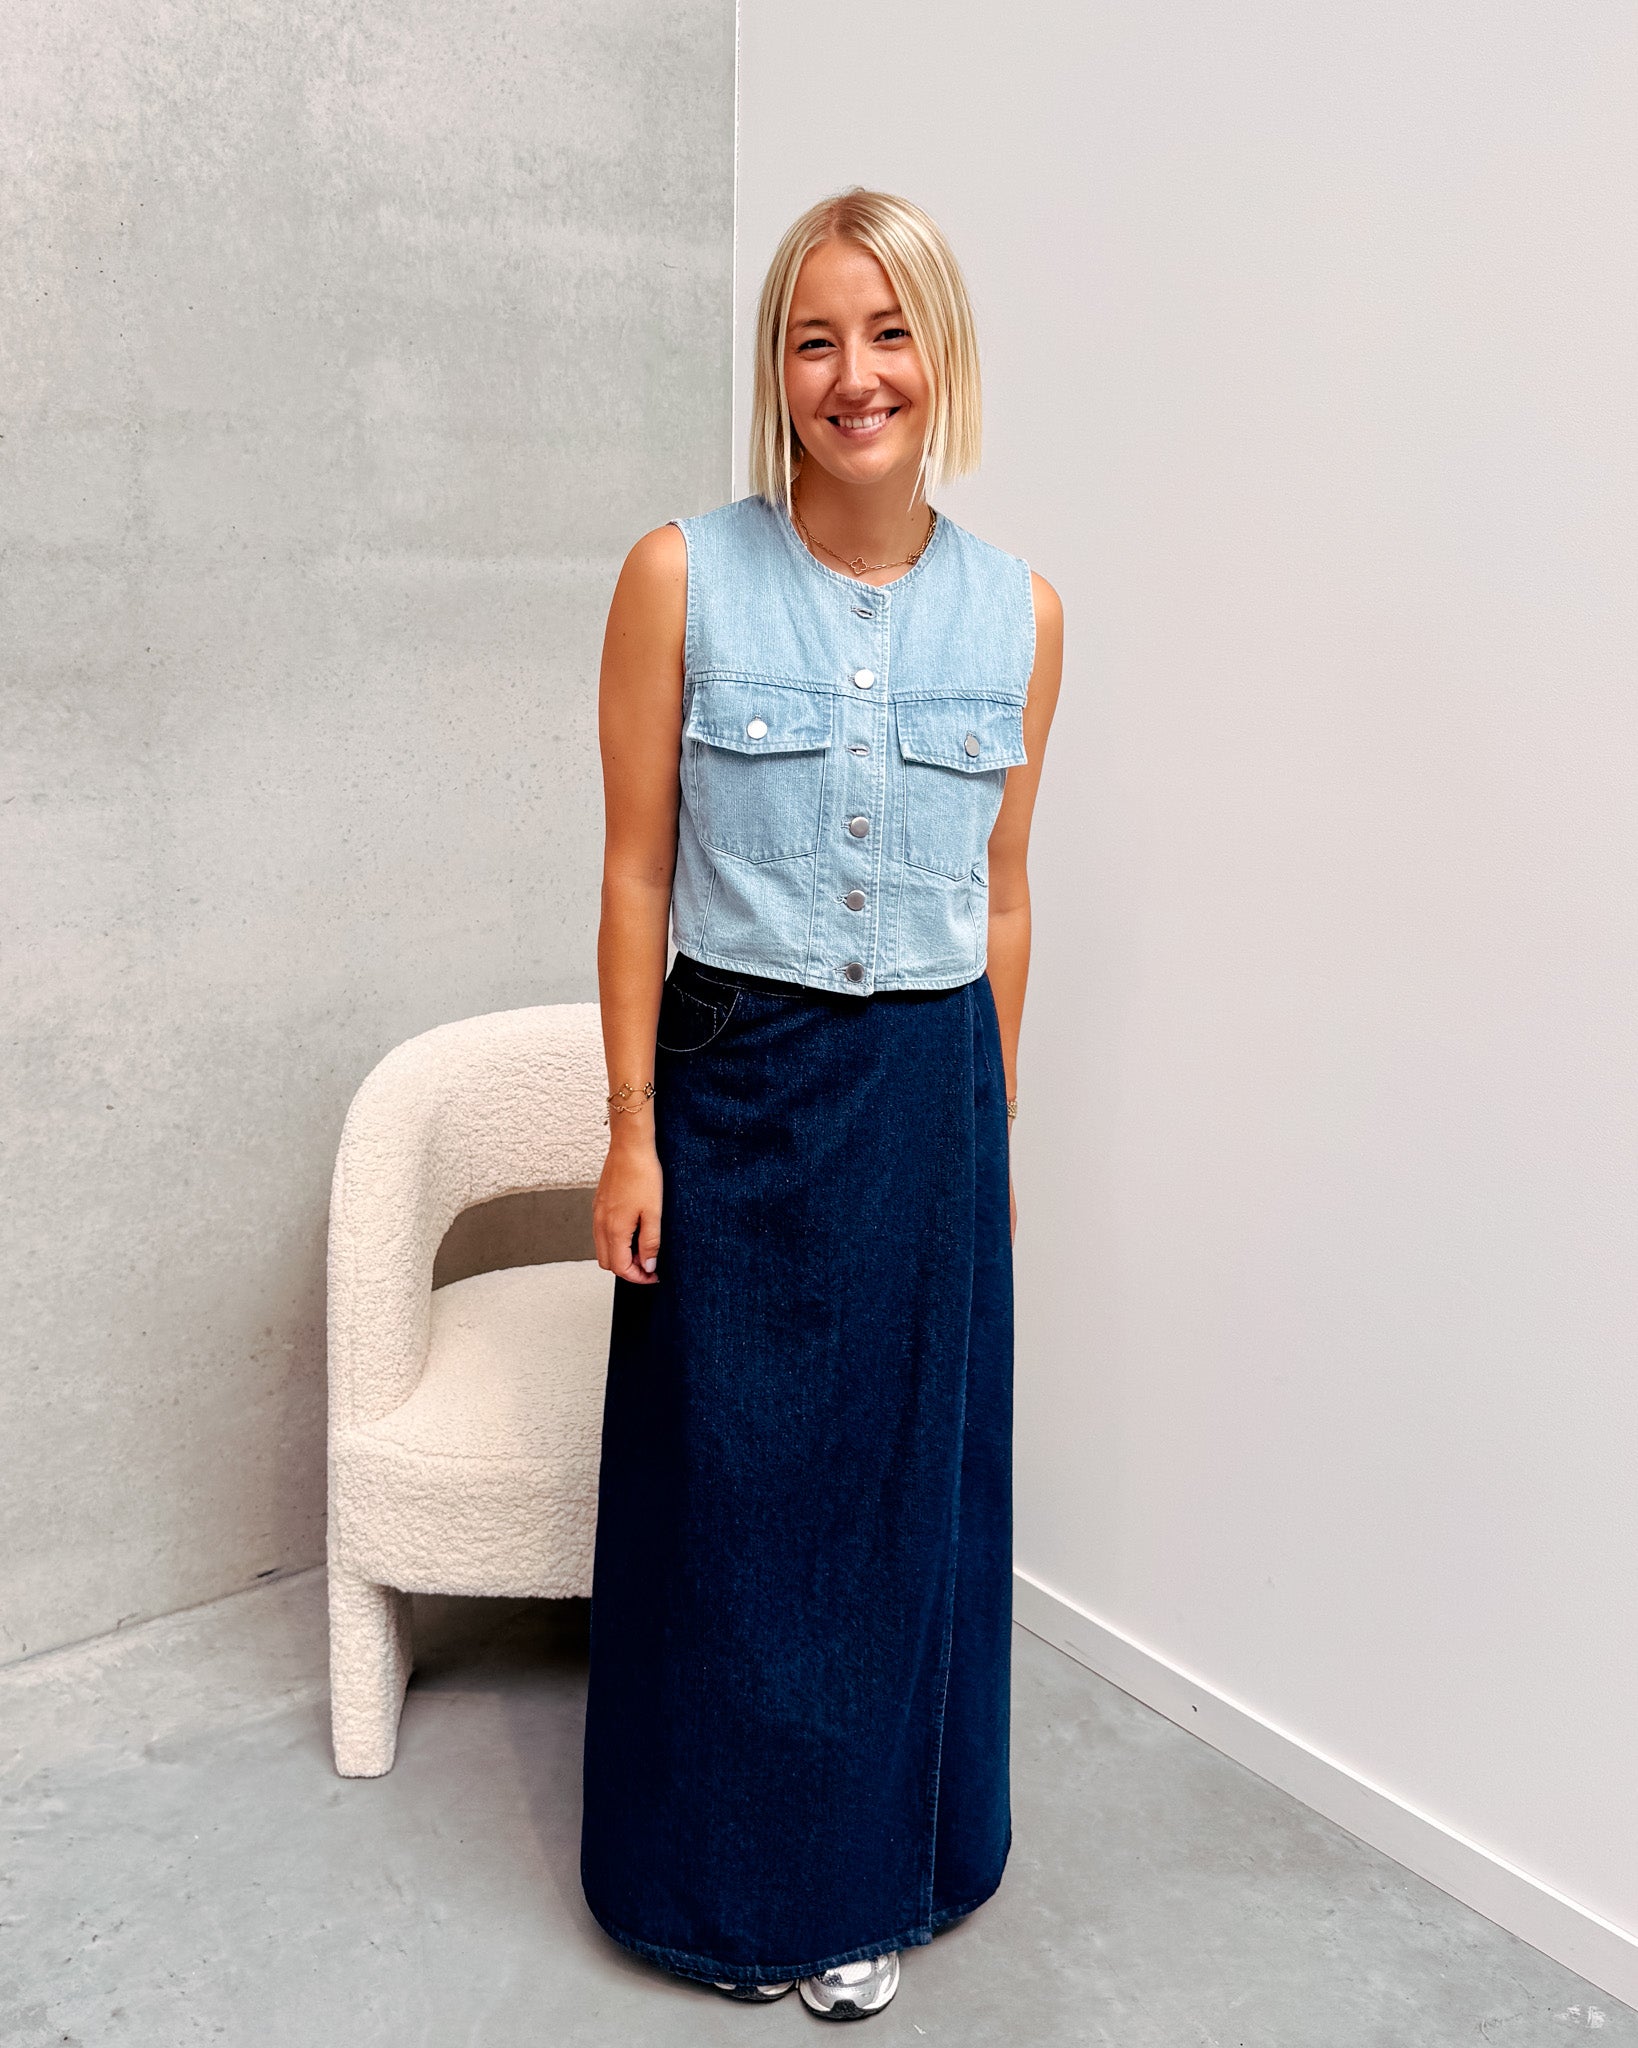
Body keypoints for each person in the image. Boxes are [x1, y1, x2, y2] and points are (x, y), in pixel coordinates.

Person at [580, 186, 1063, 2022]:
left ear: (940, 356)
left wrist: (990, 1127)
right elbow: (637, 872)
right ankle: (707, 1881)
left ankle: (875, 1876)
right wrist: (630, 1125)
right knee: (726, 1500)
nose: (852, 375)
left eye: (887, 331)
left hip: (926, 1093)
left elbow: (1003, 897)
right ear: (774, 366)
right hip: (735, 1084)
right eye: (811, 337)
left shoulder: (1021, 613)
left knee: (891, 1504)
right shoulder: (679, 577)